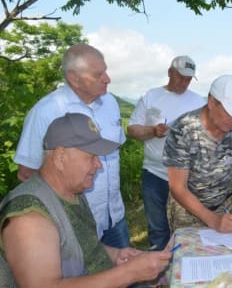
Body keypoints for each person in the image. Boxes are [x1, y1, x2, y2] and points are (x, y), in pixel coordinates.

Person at [0, 113, 171, 288]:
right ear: (60, 157)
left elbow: (76, 245)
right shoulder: (29, 217)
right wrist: (129, 273)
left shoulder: (72, 191)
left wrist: (115, 254)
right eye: (91, 156)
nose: (99, 164)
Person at [13, 43, 130, 248]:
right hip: (74, 224)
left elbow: (114, 151)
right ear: (74, 78)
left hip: (114, 217)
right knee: (84, 278)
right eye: (98, 74)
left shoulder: (110, 103)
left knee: (123, 273)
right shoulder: (46, 112)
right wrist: (62, 213)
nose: (107, 79)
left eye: (106, 71)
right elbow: (26, 173)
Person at [162, 75, 232, 233]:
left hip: (223, 205)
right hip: (187, 210)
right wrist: (213, 220)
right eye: (229, 112)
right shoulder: (183, 129)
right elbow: (178, 187)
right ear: (211, 102)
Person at [127, 55, 205, 250]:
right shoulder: (151, 96)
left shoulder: (198, 101)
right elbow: (132, 130)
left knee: (188, 226)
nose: (184, 82)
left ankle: (186, 267)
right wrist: (153, 131)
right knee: (158, 227)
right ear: (170, 73)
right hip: (155, 173)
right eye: (181, 77)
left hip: (188, 176)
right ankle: (159, 272)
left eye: (188, 79)